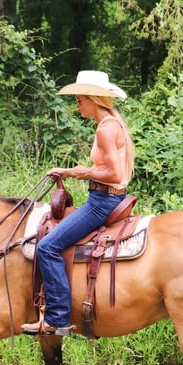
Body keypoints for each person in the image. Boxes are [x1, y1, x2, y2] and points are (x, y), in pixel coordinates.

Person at [22, 70, 135, 336]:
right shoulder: (112, 124)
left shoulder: (106, 129)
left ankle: (57, 318)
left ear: (92, 99)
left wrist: (76, 172)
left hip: (102, 202)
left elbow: (115, 174)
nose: (77, 105)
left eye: (79, 99)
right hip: (105, 198)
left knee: (48, 246)